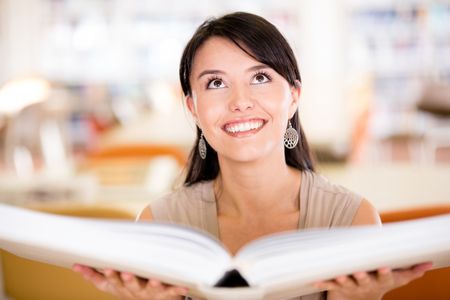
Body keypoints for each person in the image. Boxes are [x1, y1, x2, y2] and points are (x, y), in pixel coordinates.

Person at [73, 12, 432, 300]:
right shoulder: (159, 223)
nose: (240, 101)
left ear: (293, 96)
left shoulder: (353, 219)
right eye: (216, 83)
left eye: (260, 77)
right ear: (193, 108)